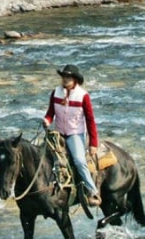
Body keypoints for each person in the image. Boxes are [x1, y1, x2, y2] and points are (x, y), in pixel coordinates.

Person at [42, 64, 101, 206]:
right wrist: (47, 120)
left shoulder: (83, 96)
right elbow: (51, 113)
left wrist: (93, 143)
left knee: (80, 161)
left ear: (75, 79)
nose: (65, 79)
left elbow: (90, 120)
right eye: (63, 76)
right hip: (58, 133)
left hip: (74, 134)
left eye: (68, 77)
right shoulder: (55, 92)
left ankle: (92, 191)